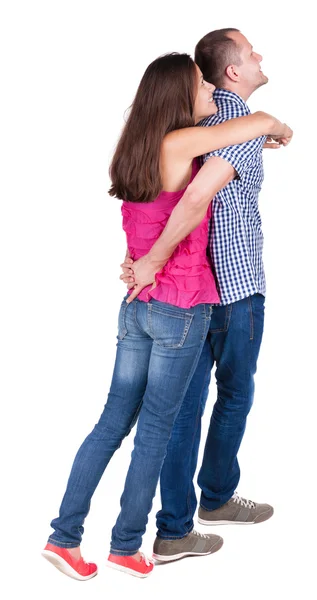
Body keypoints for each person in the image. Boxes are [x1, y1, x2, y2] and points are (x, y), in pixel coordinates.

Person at [42, 52, 292, 581]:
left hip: (137, 304)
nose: (209, 91)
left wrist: (140, 262)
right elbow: (259, 125)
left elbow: (154, 206)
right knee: (156, 428)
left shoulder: (132, 147)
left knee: (111, 422)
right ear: (180, 97)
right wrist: (272, 128)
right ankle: (127, 546)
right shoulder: (180, 145)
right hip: (181, 305)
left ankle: (63, 538)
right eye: (202, 86)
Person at [120, 29, 293, 562]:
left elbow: (155, 191)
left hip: (181, 291)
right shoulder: (234, 124)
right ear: (232, 73)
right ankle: (208, 503)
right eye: (251, 51)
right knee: (233, 394)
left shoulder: (195, 122)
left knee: (181, 409)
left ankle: (175, 526)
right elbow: (195, 196)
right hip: (229, 288)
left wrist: (146, 257)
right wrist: (147, 261)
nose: (261, 54)